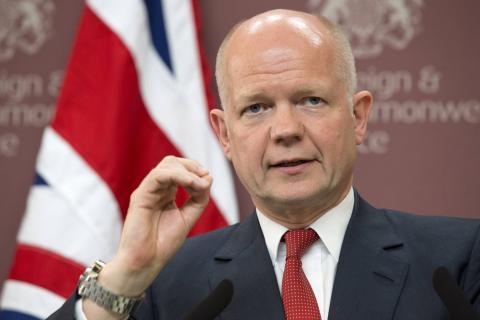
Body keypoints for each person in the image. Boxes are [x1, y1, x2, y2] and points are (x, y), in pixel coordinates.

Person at [49, 9, 480, 320]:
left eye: (311, 100)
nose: (285, 129)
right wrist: (126, 278)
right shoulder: (164, 283)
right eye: (256, 108)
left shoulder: (459, 260)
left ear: (358, 116)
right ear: (224, 134)